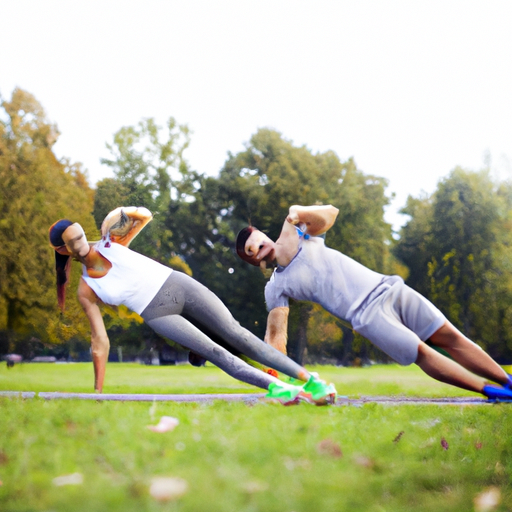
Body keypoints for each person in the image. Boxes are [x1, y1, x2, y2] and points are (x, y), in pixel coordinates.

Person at [49, 206, 337, 405]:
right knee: (215, 352)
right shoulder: (87, 289)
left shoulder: (112, 240)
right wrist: (98, 392)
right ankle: (283, 390)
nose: (82, 241)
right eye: (73, 241)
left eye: (81, 234)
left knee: (237, 334)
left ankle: (310, 380)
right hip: (156, 313)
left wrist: (115, 215)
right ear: (63, 250)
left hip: (178, 285)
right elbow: (99, 340)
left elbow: (145, 215)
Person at [236, 204, 512, 401]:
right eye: (252, 251)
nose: (259, 247)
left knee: (448, 336)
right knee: (422, 353)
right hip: (367, 316)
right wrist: (279, 377)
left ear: (263, 234)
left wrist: (299, 212)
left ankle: (507, 381)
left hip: (387, 287)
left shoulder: (295, 231)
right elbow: (275, 338)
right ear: (253, 261)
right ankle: (490, 391)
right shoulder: (276, 287)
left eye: (257, 240)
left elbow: (330, 214)